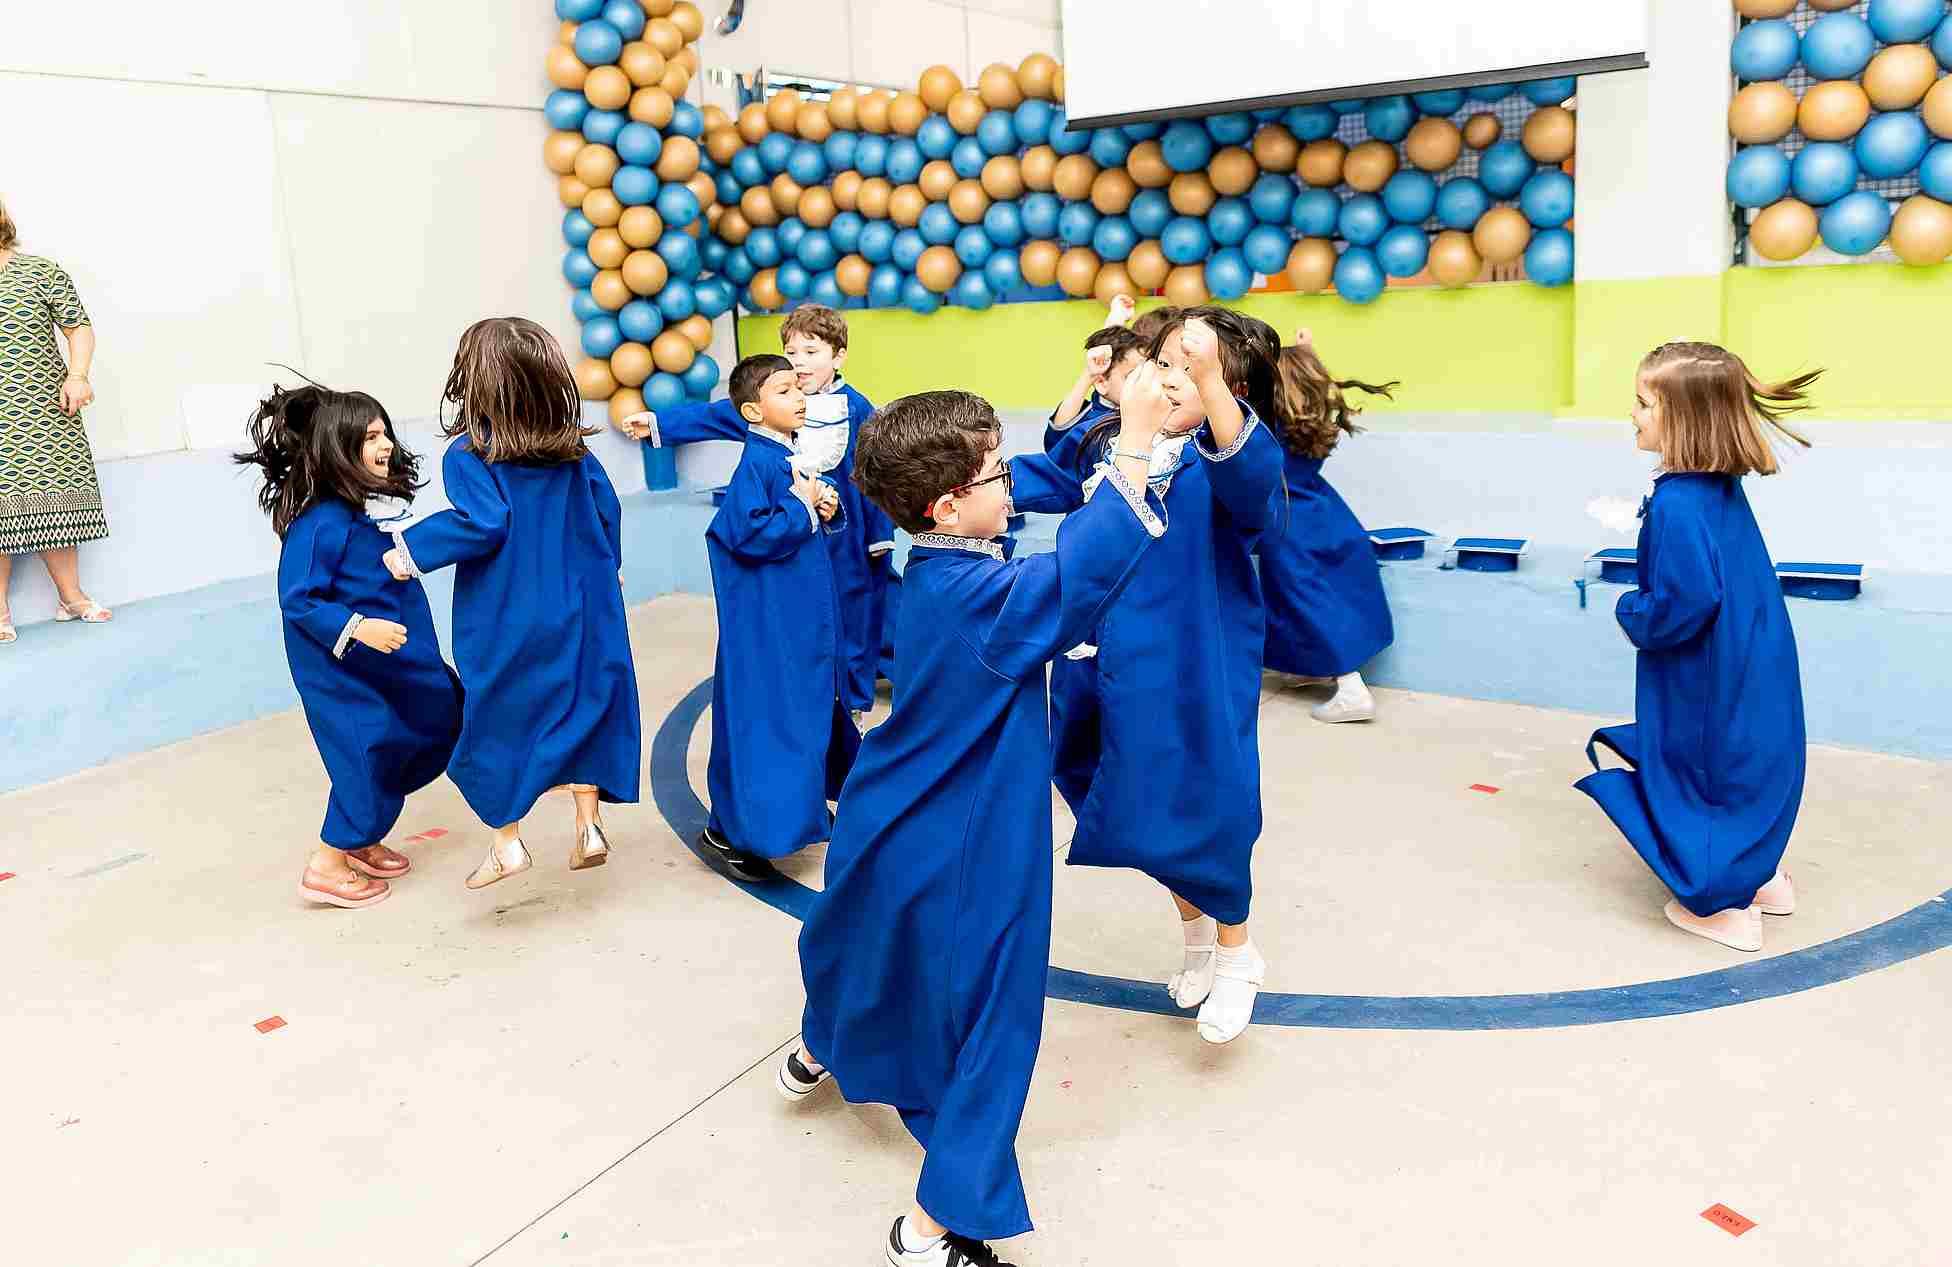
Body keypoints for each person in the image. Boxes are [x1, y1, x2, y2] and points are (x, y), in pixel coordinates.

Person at [789, 381, 1167, 1267]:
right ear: (948, 506)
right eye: (998, 475)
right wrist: (1138, 441)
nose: (1012, 485)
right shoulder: (979, 596)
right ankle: (931, 1224)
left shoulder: (934, 567)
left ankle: (821, 1043)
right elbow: (1073, 579)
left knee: (863, 942)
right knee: (996, 1020)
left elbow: (1053, 550)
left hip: (892, 813)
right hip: (966, 838)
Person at [1008, 309, 1284, 1045]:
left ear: (1230, 391)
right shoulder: (1118, 444)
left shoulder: (1221, 464)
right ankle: (1196, 939)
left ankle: (1237, 951)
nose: (1172, 380)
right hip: (1105, 663)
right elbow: (1047, 469)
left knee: (1210, 803)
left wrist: (1209, 382)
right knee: (1135, 806)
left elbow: (1254, 489)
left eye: (1195, 371)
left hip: (1191, 670)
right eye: (1164, 363)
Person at [383, 317, 640, 889]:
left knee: (499, 713)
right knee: (583, 700)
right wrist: (611, 567)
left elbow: (485, 523)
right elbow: (608, 511)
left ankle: (507, 842)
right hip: (584, 596)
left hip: (509, 607)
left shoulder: (469, 454)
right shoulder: (572, 452)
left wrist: (411, 551)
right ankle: (588, 825)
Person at [1575, 341, 1815, 952]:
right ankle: (1760, 876)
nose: (1632, 414)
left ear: (1685, 418)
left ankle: (1721, 906)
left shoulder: (1679, 502)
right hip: (1752, 659)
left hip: (1708, 672)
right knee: (1742, 765)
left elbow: (1684, 603)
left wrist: (1630, 608)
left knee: (1702, 772)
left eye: (1643, 403)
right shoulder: (1717, 489)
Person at [236, 382, 463, 908]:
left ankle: (361, 838)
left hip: (379, 665)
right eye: (370, 437)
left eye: (385, 433)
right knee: (365, 752)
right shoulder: (320, 524)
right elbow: (298, 598)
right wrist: (358, 627)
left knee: (416, 725)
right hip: (340, 671)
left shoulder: (355, 514)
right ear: (339, 449)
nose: (385, 445)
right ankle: (326, 862)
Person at [616, 305, 893, 722]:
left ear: (838, 356)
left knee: (852, 611)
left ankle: (850, 702)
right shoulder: (769, 403)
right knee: (804, 613)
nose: (800, 362)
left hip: (844, 536)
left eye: (811, 352)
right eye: (791, 352)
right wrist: (659, 424)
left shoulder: (856, 407)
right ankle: (809, 692)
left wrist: (879, 534)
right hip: (791, 533)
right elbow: (716, 414)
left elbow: (875, 473)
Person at [694, 353, 860, 883]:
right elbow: (746, 534)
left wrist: (822, 508)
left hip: (798, 620)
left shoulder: (786, 457)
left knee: (801, 717)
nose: (799, 398)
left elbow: (793, 525)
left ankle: (784, 816)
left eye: (798, 387)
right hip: (773, 627)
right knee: (770, 723)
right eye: (784, 391)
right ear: (753, 411)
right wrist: (802, 506)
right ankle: (740, 831)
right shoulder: (759, 463)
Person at [1257, 328, 1399, 723]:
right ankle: (1306, 667)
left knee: (1305, 602)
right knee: (1320, 597)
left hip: (1289, 521)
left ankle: (1350, 689)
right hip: (1327, 513)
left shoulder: (1270, 423)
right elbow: (1314, 386)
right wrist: (1307, 353)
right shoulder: (1313, 417)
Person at [0, 198, 109, 642]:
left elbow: (78, 327)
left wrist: (78, 375)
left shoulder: (41, 272)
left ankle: (71, 597)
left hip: (43, 409)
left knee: (55, 500)